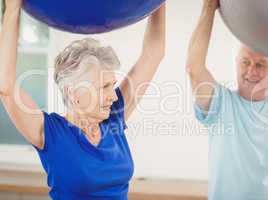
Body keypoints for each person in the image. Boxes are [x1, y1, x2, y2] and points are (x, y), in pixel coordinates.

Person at [0, 0, 165, 199]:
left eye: (112, 85)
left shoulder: (114, 116)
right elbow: (6, 87)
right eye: (104, 87)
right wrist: (12, 9)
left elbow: (154, 52)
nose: (113, 96)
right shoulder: (51, 133)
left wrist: (159, 2)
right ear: (73, 93)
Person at [186, 0, 268, 199]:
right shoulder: (220, 103)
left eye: (261, 65)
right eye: (245, 62)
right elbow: (194, 68)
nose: (250, 71)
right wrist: (209, 7)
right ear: (236, 62)